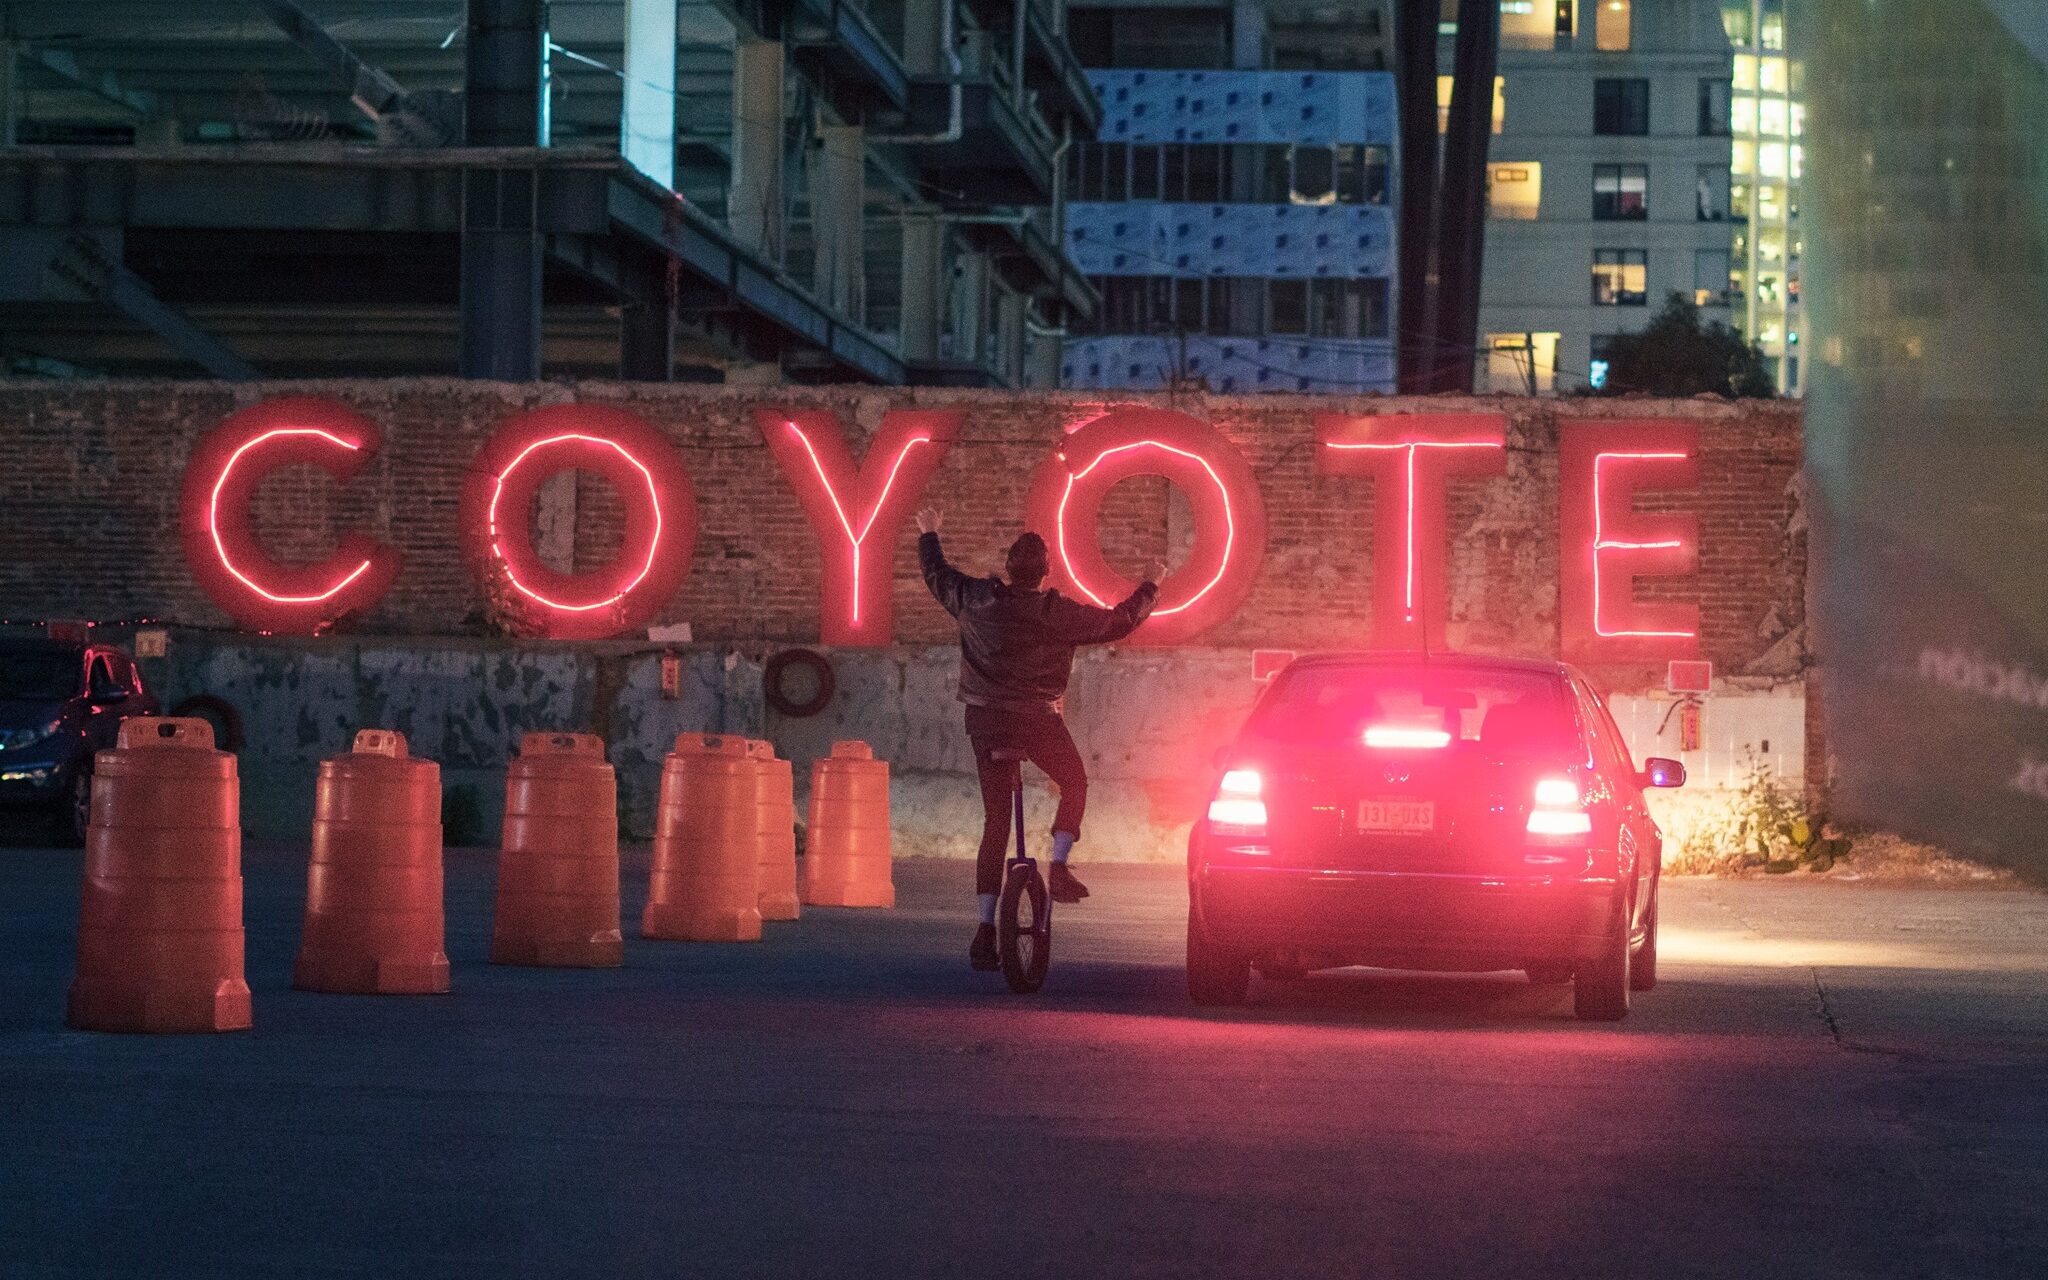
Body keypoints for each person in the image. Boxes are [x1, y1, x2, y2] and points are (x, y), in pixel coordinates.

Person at [915, 506, 1163, 972]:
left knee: (996, 824)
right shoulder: (1057, 611)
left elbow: (937, 575)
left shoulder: (974, 598)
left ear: (1007, 569)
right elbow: (1119, 622)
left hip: (986, 721)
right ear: (1045, 571)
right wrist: (1150, 585)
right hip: (1036, 720)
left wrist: (929, 533)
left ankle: (985, 930)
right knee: (1074, 782)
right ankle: (1060, 865)